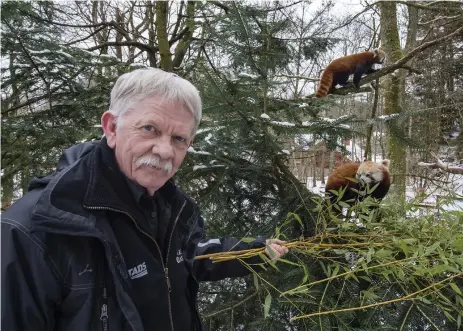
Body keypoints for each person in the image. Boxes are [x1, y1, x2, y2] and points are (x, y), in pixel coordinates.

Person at [1, 68, 289, 331]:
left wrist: (254, 252)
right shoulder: (35, 229)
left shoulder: (173, 210)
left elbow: (189, 256)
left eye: (179, 139)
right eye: (149, 128)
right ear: (111, 128)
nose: (165, 151)